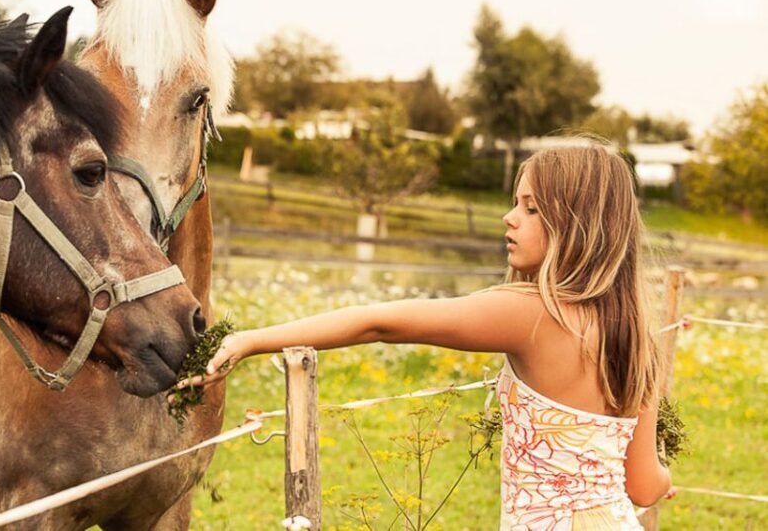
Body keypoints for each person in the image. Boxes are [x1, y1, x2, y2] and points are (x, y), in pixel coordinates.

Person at [178, 143, 676, 529]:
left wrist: (251, 339)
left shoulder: (532, 314)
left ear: (577, 225)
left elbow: (379, 322)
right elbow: (644, 486)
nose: (510, 217)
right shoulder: (636, 336)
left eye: (531, 209)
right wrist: (663, 481)